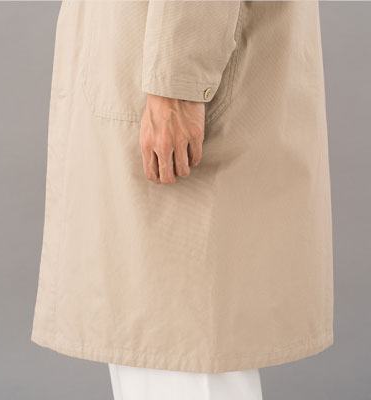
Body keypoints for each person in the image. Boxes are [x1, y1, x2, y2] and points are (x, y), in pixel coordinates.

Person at [31, 1, 334, 398]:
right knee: (158, 345)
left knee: (178, 345)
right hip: (150, 59)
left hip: (174, 74)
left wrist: (176, 80)